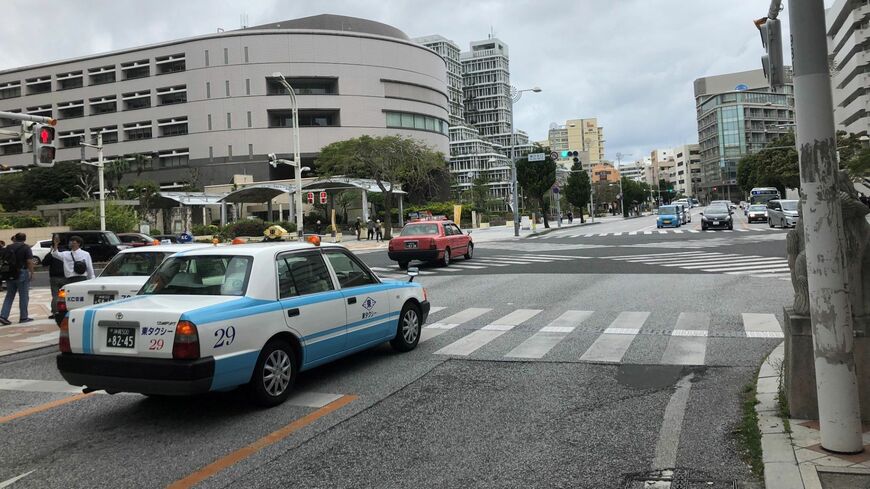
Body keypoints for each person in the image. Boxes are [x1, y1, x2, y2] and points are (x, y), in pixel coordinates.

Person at [0, 233, 35, 325]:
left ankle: (3, 316)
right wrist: (32, 272)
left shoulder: (8, 247)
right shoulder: (26, 247)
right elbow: (29, 261)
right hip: (22, 272)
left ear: (15, 238)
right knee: (23, 296)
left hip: (9, 273)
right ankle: (24, 317)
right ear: (24, 239)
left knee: (9, 295)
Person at [42, 247, 67, 320]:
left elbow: (44, 263)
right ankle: (63, 310)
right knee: (63, 295)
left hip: (54, 277)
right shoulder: (67, 253)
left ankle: (55, 312)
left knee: (55, 295)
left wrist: (50, 252)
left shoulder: (52, 253)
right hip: (65, 277)